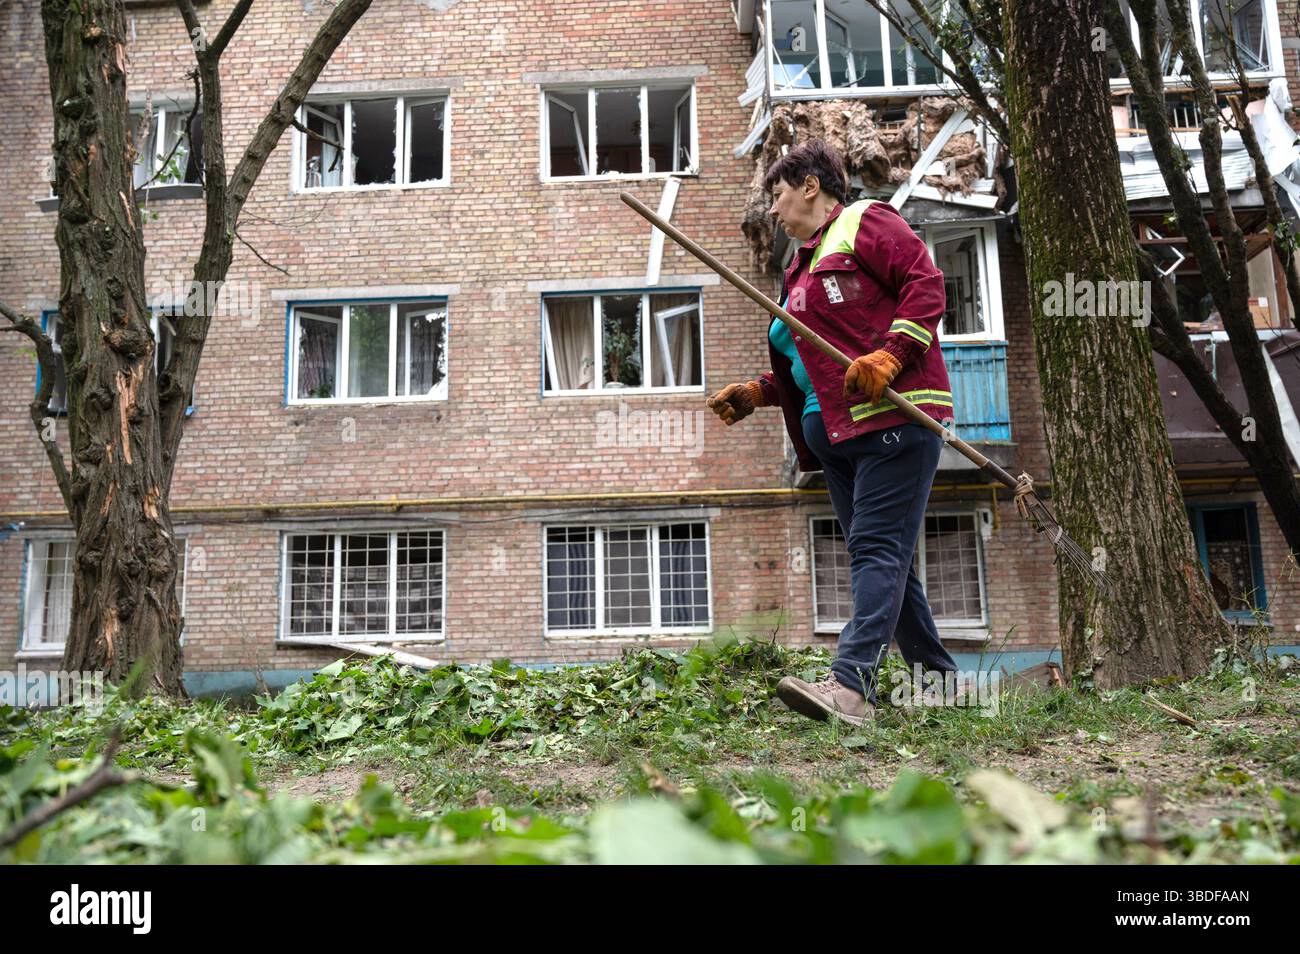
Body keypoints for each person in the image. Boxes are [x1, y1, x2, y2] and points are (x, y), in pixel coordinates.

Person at [707, 139, 959, 726]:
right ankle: (941, 684)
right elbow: (812, 359)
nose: (773, 209)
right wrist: (760, 392)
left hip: (897, 417)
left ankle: (851, 688)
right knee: (887, 558)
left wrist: (891, 358)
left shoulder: (866, 222)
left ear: (811, 186)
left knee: (876, 550)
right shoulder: (797, 268)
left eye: (778, 194)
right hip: (838, 436)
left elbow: (926, 285)